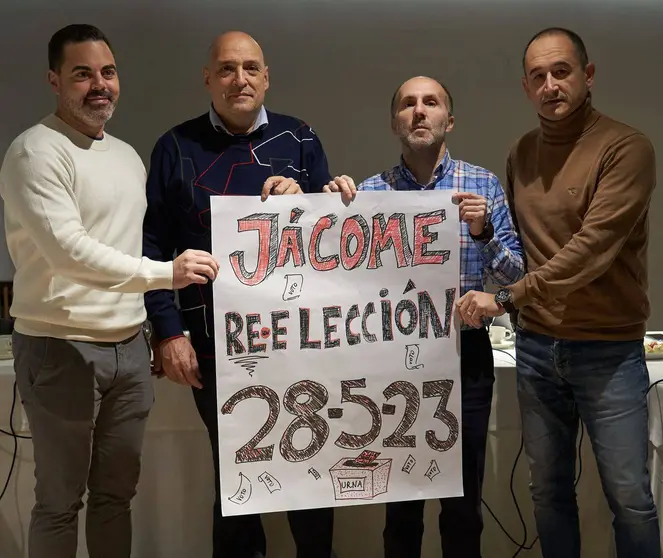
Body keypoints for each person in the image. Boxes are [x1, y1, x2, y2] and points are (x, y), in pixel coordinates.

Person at [0, 24, 218, 558]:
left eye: (108, 72)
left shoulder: (125, 155)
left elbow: (131, 241)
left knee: (116, 497)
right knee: (59, 502)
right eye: (82, 74)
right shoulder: (35, 152)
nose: (99, 85)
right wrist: (166, 273)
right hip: (60, 349)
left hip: (128, 350)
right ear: (55, 80)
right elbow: (70, 253)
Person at [456, 28, 660, 558]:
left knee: (630, 499)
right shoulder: (520, 153)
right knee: (547, 494)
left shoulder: (627, 148)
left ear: (587, 76)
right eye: (538, 77)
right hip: (538, 350)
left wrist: (504, 300)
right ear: (526, 87)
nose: (550, 85)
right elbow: (520, 248)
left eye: (561, 72)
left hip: (608, 351)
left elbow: (592, 249)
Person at [143, 31, 336, 558]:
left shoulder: (300, 139)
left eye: (251, 68)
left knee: (310, 467)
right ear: (208, 78)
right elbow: (154, 247)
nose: (240, 79)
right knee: (238, 474)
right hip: (213, 346)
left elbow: (334, 244)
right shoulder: (175, 147)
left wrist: (309, 201)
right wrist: (168, 331)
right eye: (227, 69)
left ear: (267, 76)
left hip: (300, 345)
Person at [324, 76, 524, 558]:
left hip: (464, 355)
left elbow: (516, 274)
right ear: (395, 122)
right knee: (401, 505)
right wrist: (325, 211)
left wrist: (483, 232)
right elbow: (337, 281)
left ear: (448, 120)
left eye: (430, 103)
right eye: (408, 104)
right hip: (393, 362)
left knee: (462, 503)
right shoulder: (367, 193)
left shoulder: (482, 184)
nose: (419, 111)